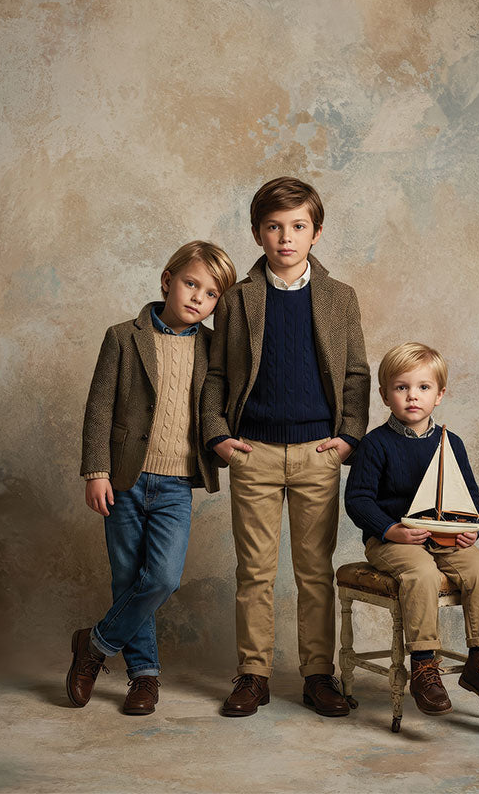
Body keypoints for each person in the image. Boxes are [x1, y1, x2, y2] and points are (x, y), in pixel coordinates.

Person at [202, 177, 370, 717]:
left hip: (319, 453)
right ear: (257, 233)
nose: (285, 238)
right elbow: (216, 374)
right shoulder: (236, 299)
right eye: (274, 227)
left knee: (314, 572)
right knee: (253, 572)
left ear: (316, 233)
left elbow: (356, 374)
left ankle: (319, 675)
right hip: (252, 451)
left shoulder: (340, 298)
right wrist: (218, 436)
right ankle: (253, 674)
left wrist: (347, 439)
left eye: (297, 227)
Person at [67, 240, 236, 715]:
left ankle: (94, 645)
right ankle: (144, 677)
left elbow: (217, 407)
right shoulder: (123, 336)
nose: (199, 298)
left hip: (176, 483)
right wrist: (96, 471)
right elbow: (99, 409)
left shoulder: (211, 349)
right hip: (123, 478)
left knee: (160, 577)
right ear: (167, 280)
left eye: (211, 294)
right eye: (191, 284)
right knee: (127, 578)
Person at [345, 342, 479, 715]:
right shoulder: (375, 444)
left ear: (439, 395)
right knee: (421, 573)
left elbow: (471, 498)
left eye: (423, 388)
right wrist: (391, 530)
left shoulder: (450, 443)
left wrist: (472, 531)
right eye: (401, 387)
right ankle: (423, 665)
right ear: (385, 395)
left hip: (447, 539)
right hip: (393, 540)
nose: (412, 397)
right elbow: (357, 501)